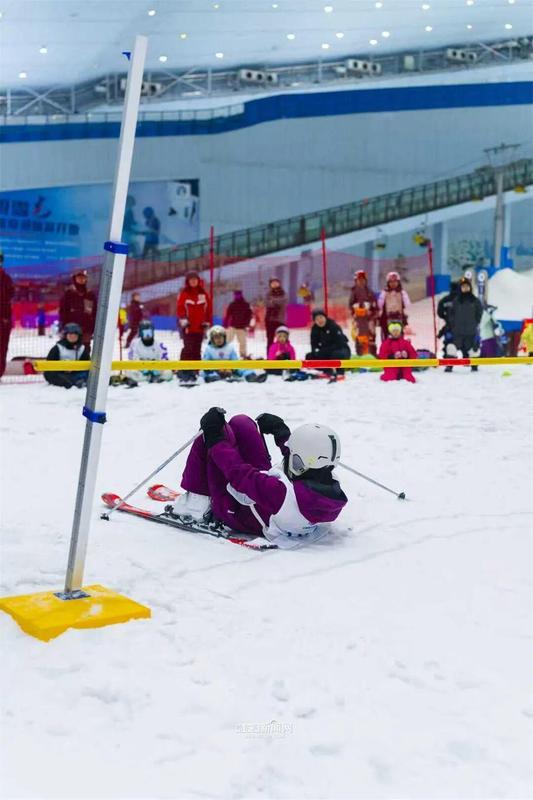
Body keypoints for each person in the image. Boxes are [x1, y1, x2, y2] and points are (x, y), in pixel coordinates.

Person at [171, 408, 347, 549]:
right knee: (242, 423)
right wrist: (281, 432)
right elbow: (303, 457)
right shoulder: (328, 481)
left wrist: (215, 439)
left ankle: (196, 503)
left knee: (212, 434)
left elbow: (238, 473)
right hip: (264, 502)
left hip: (237, 511)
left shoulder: (279, 492)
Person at [176, 271, 211, 384]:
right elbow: (180, 309)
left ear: (198, 281)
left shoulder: (204, 294)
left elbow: (208, 309)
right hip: (188, 328)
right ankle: (184, 370)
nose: (193, 281)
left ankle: (195, 370)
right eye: (191, 280)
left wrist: (206, 322)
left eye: (195, 279)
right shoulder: (184, 294)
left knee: (197, 349)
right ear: (188, 282)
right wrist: (184, 322)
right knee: (188, 348)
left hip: (199, 328)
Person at [445, 276, 483, 372]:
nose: (465, 288)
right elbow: (451, 314)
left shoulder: (475, 301)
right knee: (452, 348)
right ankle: (450, 365)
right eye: (463, 287)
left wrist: (475, 323)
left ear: (470, 287)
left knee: (473, 349)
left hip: (471, 331)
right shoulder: (456, 301)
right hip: (457, 331)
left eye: (467, 286)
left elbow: (479, 313)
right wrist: (453, 325)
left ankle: (474, 365)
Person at [307, 309, 351, 382]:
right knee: (309, 357)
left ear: (325, 317)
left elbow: (340, 344)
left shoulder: (333, 326)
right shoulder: (315, 329)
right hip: (325, 353)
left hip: (340, 350)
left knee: (336, 355)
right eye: (317, 319)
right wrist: (316, 352)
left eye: (321, 317)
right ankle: (327, 370)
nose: (320, 320)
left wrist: (324, 351)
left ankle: (339, 371)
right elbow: (313, 344)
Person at [59, 269, 97, 351]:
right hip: (71, 329)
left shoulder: (90, 294)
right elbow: (63, 312)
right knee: (70, 351)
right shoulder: (68, 293)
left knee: (85, 350)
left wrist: (92, 327)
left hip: (87, 329)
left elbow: (94, 312)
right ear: (74, 279)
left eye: (83, 277)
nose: (81, 279)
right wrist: (65, 326)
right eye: (79, 277)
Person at [43, 322, 90, 389]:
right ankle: (72, 383)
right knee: (50, 374)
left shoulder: (82, 349)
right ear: (66, 335)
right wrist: (63, 369)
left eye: (75, 334)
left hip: (76, 374)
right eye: (70, 334)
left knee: (91, 372)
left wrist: (74, 369)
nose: (73, 336)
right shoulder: (58, 348)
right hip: (61, 374)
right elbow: (49, 365)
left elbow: (87, 365)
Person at [127, 319, 172, 384]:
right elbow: (132, 360)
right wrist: (144, 368)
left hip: (156, 369)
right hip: (140, 369)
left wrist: (154, 369)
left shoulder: (160, 344)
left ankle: (156, 378)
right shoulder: (134, 343)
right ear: (141, 333)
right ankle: (148, 378)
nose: (147, 336)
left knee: (168, 373)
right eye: (145, 333)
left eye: (149, 333)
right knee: (129, 371)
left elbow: (164, 361)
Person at [348, 270, 378, 355]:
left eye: (362, 280)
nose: (361, 282)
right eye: (359, 280)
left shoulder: (370, 292)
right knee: (359, 338)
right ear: (356, 281)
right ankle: (360, 356)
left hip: (369, 319)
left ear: (365, 280)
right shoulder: (353, 292)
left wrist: (371, 312)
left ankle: (372, 355)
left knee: (371, 337)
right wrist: (355, 311)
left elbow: (375, 306)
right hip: (359, 320)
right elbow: (350, 305)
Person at [378, 271, 410, 342]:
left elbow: (407, 304)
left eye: (395, 281)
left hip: (399, 317)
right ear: (388, 283)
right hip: (387, 318)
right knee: (386, 337)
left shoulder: (402, 292)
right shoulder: (384, 292)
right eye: (391, 282)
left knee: (399, 335)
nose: (393, 284)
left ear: (398, 282)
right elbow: (380, 304)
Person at [223, 289, 252, 357]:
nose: (237, 296)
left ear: (241, 295)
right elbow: (227, 315)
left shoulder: (246, 305)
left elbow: (249, 315)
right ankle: (223, 353)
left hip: (242, 327)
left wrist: (246, 324)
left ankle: (243, 355)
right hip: (233, 326)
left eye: (238, 295)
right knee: (227, 340)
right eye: (236, 295)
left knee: (242, 343)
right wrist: (225, 324)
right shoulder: (232, 304)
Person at [0, 252, 14, 379]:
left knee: (2, 347)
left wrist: (5, 318)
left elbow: (9, 298)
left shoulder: (6, 279)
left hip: (3, 320)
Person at [437, 281, 459, 357]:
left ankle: (449, 362)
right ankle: (470, 362)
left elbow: (440, 313)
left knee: (449, 344)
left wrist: (446, 318)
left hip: (449, 327)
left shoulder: (444, 300)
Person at [265, 277, 287, 350]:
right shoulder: (268, 293)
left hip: (280, 320)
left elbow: (283, 302)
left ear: (279, 283)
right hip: (270, 320)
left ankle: (282, 356)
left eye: (276, 282)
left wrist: (273, 300)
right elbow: (268, 304)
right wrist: (276, 301)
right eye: (272, 283)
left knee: (282, 339)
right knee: (270, 340)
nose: (274, 284)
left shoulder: (283, 293)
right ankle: (270, 357)